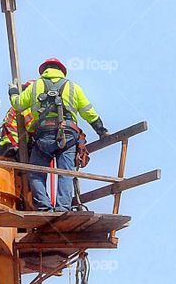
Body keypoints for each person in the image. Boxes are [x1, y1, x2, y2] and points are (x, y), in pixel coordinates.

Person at [9, 59, 108, 211]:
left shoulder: (35, 86)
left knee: (36, 173)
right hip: (68, 135)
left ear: (44, 71)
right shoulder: (73, 87)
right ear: (61, 71)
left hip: (44, 136)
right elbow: (88, 112)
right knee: (65, 173)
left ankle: (44, 207)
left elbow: (18, 105)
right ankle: (62, 208)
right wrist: (101, 130)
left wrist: (13, 92)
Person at [0, 82, 33, 158]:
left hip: (7, 145)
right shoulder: (26, 108)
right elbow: (31, 128)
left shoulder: (17, 107)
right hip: (14, 147)